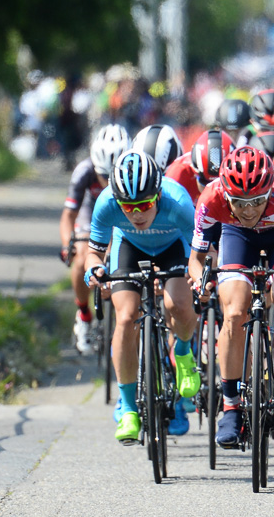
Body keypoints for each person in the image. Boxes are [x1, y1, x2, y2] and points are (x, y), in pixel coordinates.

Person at [187, 147, 274, 449]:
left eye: (257, 202)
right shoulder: (211, 197)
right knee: (235, 312)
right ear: (226, 194)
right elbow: (196, 258)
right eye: (239, 202)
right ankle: (230, 405)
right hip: (236, 237)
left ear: (270, 191)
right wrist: (202, 281)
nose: (249, 210)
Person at [84, 150, 200, 443]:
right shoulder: (106, 203)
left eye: (145, 204)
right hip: (129, 249)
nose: (136, 213)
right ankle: (129, 409)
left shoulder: (179, 202)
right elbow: (94, 253)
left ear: (158, 195)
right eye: (127, 207)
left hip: (174, 247)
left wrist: (199, 277)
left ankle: (183, 353)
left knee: (177, 302)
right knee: (125, 317)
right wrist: (94, 271)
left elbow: (200, 252)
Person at [61, 123, 128, 353]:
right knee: (82, 258)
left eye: (112, 176)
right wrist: (67, 243)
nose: (107, 182)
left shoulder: (133, 169)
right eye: (102, 176)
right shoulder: (84, 171)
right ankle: (84, 314)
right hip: (90, 212)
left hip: (122, 210)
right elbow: (69, 215)